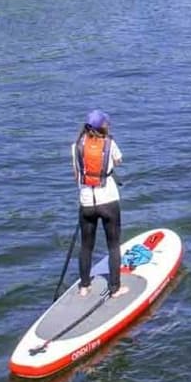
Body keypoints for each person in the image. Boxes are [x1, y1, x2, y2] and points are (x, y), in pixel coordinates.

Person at [70, 110, 125, 300]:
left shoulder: (76, 146)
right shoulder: (110, 143)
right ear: (103, 126)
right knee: (113, 246)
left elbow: (76, 175)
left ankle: (84, 287)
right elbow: (118, 161)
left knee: (86, 246)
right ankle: (115, 288)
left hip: (86, 203)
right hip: (108, 201)